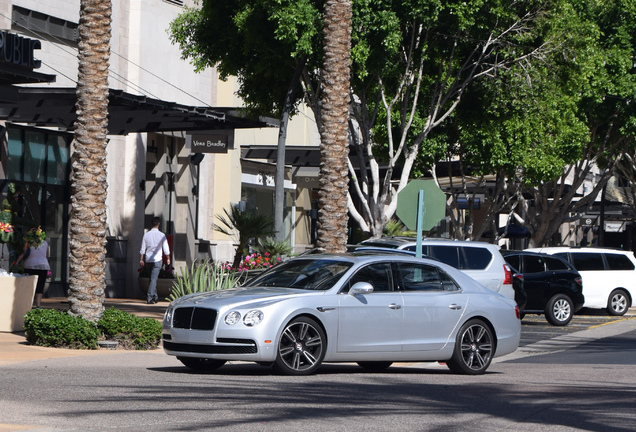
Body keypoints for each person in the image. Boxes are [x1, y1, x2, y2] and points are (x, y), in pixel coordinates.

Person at [15, 227, 50, 309]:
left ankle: (29, 304)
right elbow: (47, 256)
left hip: (30, 265)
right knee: (40, 286)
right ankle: (38, 305)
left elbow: (23, 253)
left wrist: (17, 262)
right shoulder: (45, 243)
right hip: (43, 266)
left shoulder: (28, 243)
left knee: (30, 285)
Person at [139, 216, 171, 304]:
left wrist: (141, 259)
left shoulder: (146, 235)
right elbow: (166, 249)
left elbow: (143, 248)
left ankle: (155, 296)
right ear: (158, 224)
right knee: (153, 279)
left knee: (152, 279)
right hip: (157, 260)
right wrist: (168, 259)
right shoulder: (162, 235)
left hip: (148, 259)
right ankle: (149, 297)